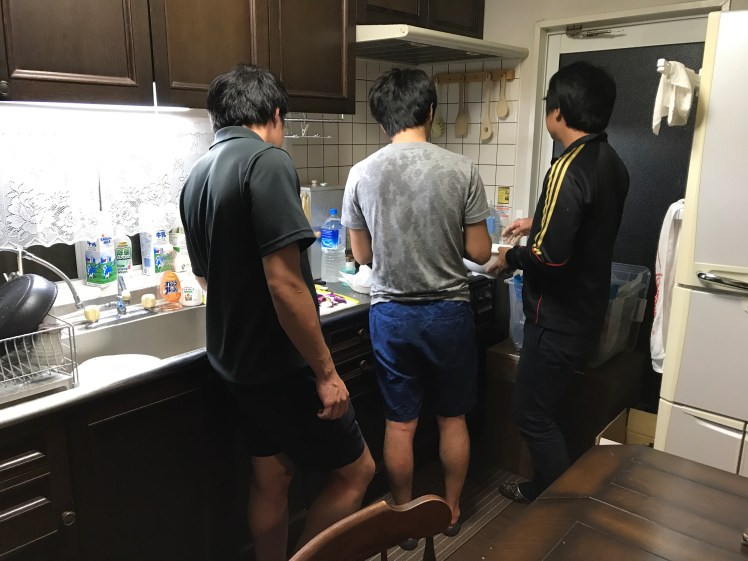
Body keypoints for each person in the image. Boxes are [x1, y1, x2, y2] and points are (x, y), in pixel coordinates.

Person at [179, 64, 374, 561]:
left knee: (271, 479)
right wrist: (326, 372)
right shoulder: (267, 160)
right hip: (279, 365)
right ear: (276, 114)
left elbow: (206, 279)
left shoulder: (196, 176)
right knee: (358, 472)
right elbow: (285, 282)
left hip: (235, 365)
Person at [341, 67, 492, 546]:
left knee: (400, 424)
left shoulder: (361, 173)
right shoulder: (462, 169)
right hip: (448, 312)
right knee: (452, 418)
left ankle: (404, 518)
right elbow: (481, 252)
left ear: (381, 118)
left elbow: (361, 254)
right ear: (430, 110)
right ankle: (451, 510)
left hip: (392, 316)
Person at [488, 61, 629, 503]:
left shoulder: (567, 167)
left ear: (558, 112)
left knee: (531, 414)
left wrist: (507, 258)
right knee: (550, 409)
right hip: (585, 311)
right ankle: (542, 488)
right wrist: (537, 222)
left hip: (557, 318)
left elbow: (549, 258)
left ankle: (561, 512)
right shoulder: (610, 161)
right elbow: (588, 224)